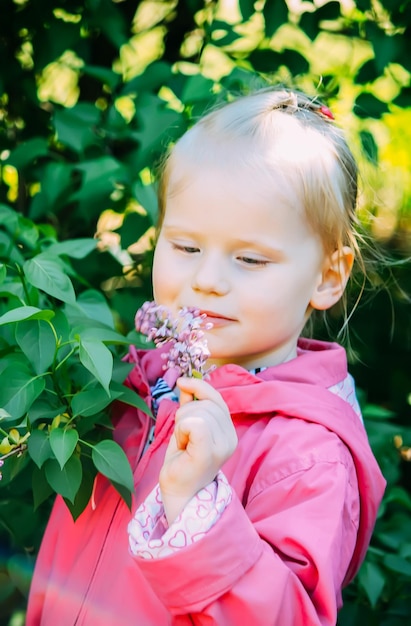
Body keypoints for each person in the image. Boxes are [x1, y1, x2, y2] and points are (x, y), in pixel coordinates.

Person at [26, 87, 386, 626]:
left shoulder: (307, 456)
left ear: (328, 275)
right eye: (187, 248)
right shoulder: (127, 385)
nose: (207, 281)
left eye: (249, 259)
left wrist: (198, 508)